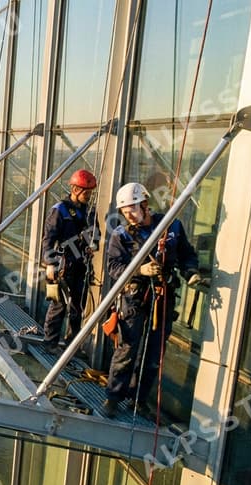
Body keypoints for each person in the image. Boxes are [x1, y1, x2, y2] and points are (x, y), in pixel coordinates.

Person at [102, 183, 204, 417]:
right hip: (135, 298)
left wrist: (191, 271)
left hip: (162, 297)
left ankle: (139, 399)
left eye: (132, 209)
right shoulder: (122, 234)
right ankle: (113, 397)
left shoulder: (171, 227)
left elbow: (186, 254)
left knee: (153, 353)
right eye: (125, 211)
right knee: (127, 349)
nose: (129, 215)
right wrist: (140, 270)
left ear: (145, 205)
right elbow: (114, 267)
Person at [41, 169, 100, 350]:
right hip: (63, 264)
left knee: (77, 307)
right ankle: (50, 343)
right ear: (75, 190)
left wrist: (93, 244)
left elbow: (96, 234)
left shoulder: (89, 212)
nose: (89, 196)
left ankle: (71, 346)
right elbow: (48, 239)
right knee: (59, 304)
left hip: (81, 264)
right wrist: (50, 264)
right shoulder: (60, 211)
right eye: (86, 193)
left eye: (90, 193)